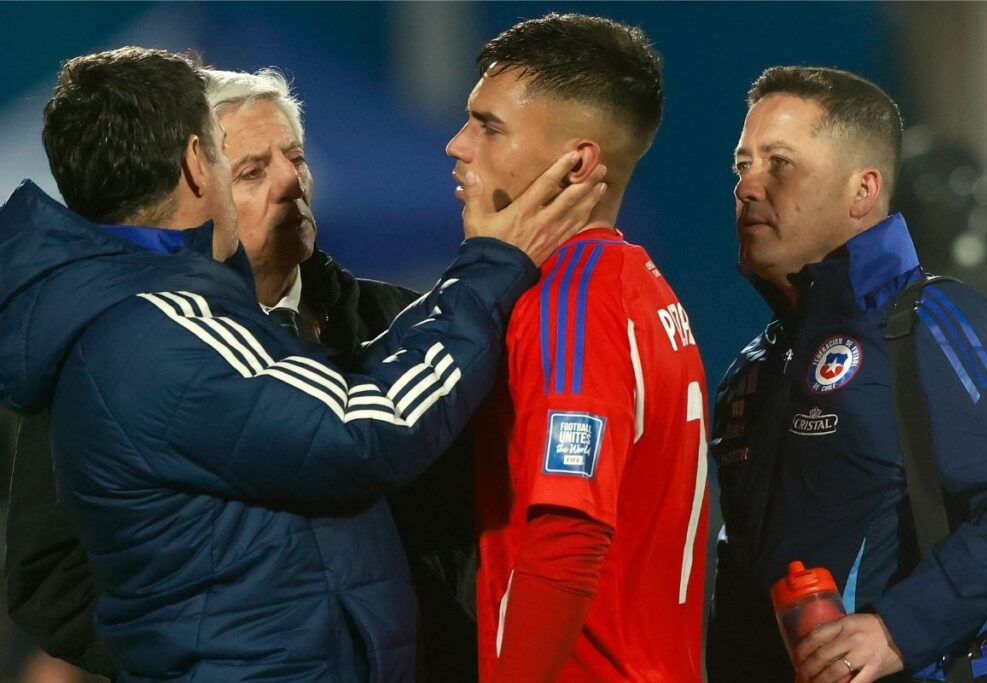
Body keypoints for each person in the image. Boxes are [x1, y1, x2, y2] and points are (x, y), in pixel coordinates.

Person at [0, 46, 605, 682]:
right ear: (196, 163)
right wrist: (491, 264)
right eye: (249, 168)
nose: (290, 183)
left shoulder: (172, 323)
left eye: (294, 157)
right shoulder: (160, 333)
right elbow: (370, 425)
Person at [707, 65, 987, 683]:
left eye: (780, 163)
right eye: (742, 165)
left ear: (863, 191)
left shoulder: (929, 322)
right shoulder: (750, 372)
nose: (748, 186)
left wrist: (896, 631)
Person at [446, 13, 710, 681]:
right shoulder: (645, 289)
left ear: (578, 162)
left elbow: (569, 533)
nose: (457, 145)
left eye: (488, 125)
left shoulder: (573, 299)